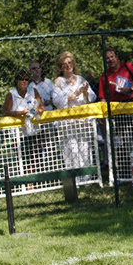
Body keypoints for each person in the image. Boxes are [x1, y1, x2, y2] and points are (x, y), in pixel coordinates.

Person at [52, 51, 97, 181]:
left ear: (73, 64)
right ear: (61, 67)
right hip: (67, 122)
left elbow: (91, 98)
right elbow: (57, 101)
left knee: (85, 148)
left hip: (82, 121)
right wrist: (75, 94)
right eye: (64, 64)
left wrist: (85, 93)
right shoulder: (58, 81)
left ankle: (87, 178)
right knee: (72, 149)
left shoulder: (81, 79)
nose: (68, 65)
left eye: (70, 62)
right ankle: (75, 179)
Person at [2, 69, 45, 176]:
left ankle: (37, 180)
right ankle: (27, 182)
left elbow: (42, 107)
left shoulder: (33, 91)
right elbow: (4, 112)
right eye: (21, 79)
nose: (24, 81)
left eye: (26, 79)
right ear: (16, 80)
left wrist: (38, 110)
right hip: (19, 133)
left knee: (37, 156)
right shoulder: (11, 94)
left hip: (34, 130)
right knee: (24, 159)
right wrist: (20, 113)